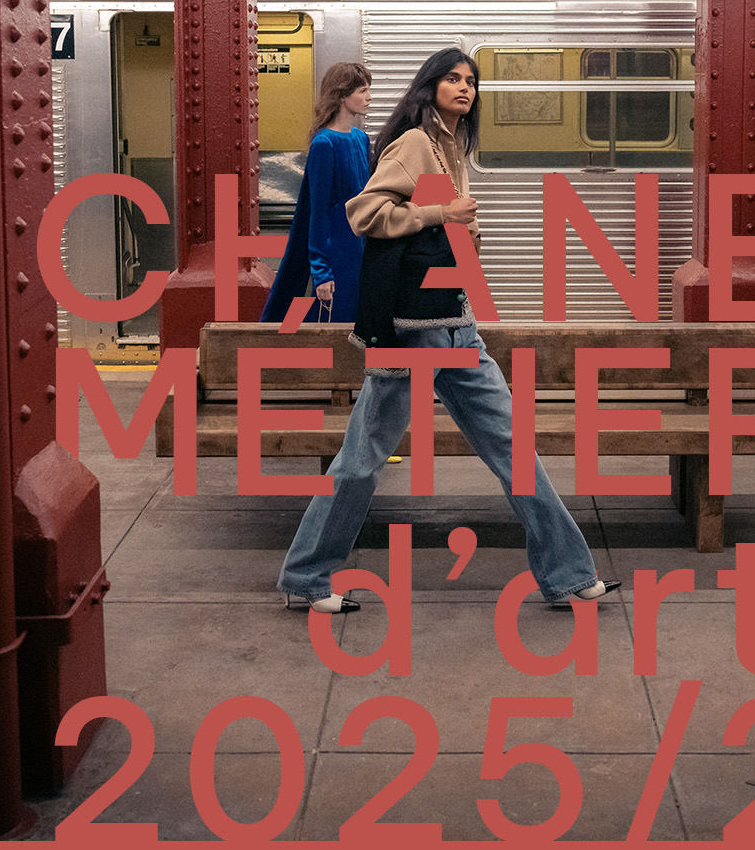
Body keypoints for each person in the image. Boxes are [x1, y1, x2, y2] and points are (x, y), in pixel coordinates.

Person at [276, 48, 617, 614]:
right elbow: (364, 213)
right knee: (362, 458)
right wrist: (441, 215)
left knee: (513, 447)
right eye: (453, 79)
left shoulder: (453, 146)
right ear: (430, 86)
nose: (464, 88)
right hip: (413, 332)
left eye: (471, 81)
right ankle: (307, 576)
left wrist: (463, 235)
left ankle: (569, 572)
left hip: (457, 325)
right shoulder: (414, 143)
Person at [261, 61, 375, 326]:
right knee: (337, 322)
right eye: (362, 91)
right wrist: (322, 271)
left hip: (361, 246)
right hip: (338, 251)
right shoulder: (324, 144)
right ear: (341, 95)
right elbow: (317, 212)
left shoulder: (361, 139)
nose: (369, 97)